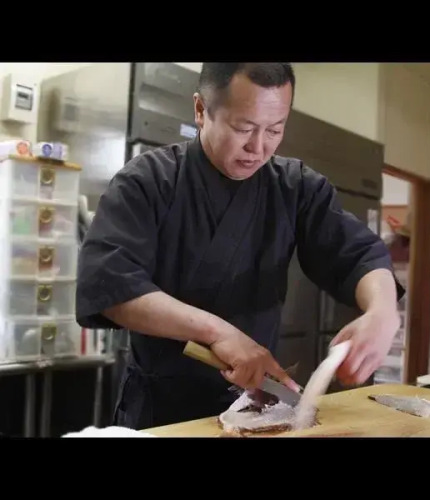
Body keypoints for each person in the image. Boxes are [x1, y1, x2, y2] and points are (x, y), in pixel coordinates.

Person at [76, 63, 404, 430]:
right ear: (201, 110)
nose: (258, 147)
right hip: (160, 411)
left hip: (255, 407)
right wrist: (219, 333)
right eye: (243, 128)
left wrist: (382, 311)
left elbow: (359, 254)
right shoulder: (147, 181)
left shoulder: (296, 187)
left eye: (275, 130)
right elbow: (111, 285)